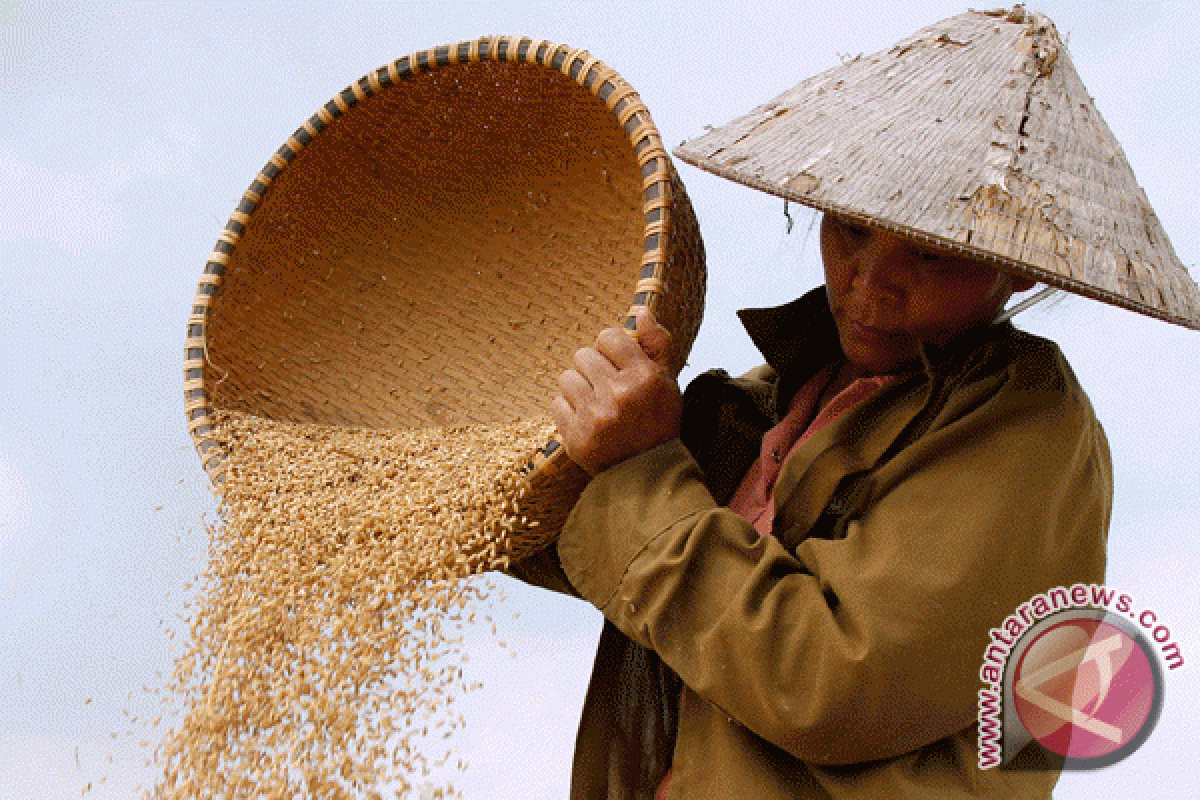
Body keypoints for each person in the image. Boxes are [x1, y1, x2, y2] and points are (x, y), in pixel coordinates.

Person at [511, 7, 1196, 798]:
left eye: (932, 255)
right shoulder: (768, 408)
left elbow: (830, 681)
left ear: (1020, 271)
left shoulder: (1028, 427)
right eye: (851, 232)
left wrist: (638, 470)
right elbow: (583, 541)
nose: (870, 285)